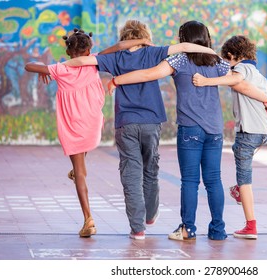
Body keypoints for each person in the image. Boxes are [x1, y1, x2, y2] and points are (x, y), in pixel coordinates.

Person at [63, 20, 217, 240]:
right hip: (151, 120)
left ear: (124, 37)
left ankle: (138, 229)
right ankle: (151, 214)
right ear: (144, 35)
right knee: (150, 169)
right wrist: (210, 50)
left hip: (126, 123)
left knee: (131, 175)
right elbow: (184, 47)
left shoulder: (114, 58)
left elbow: (81, 61)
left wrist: (56, 69)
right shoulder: (154, 53)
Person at [107, 20, 234, 241]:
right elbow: (236, 77)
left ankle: (188, 229)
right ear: (206, 38)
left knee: (190, 181)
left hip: (190, 128)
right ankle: (218, 229)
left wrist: (117, 80)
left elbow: (148, 75)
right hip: (214, 129)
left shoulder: (179, 60)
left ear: (183, 39)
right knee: (214, 180)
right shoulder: (218, 61)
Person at [24, 28, 150, 238]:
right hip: (92, 124)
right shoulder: (94, 61)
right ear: (89, 48)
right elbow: (119, 46)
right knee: (81, 160)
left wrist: (42, 71)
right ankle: (77, 172)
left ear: (68, 51)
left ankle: (88, 219)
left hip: (72, 127)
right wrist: (145, 40)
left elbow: (28, 65)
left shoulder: (60, 68)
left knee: (80, 172)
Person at [192, 35, 267, 239]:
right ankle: (240, 191)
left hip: (248, 132)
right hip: (262, 132)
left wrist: (206, 81)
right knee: (243, 173)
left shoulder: (242, 69)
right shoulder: (259, 75)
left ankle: (250, 225)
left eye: (228, 61)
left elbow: (235, 79)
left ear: (232, 56)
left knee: (245, 178)